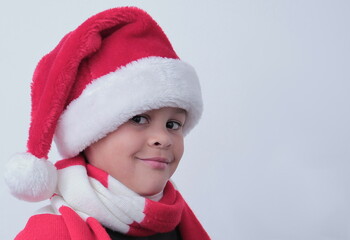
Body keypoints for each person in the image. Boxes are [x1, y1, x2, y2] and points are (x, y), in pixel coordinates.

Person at [4, 7, 210, 240]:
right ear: (90, 137)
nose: (162, 138)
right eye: (139, 119)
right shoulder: (51, 233)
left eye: (173, 124)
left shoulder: (176, 223)